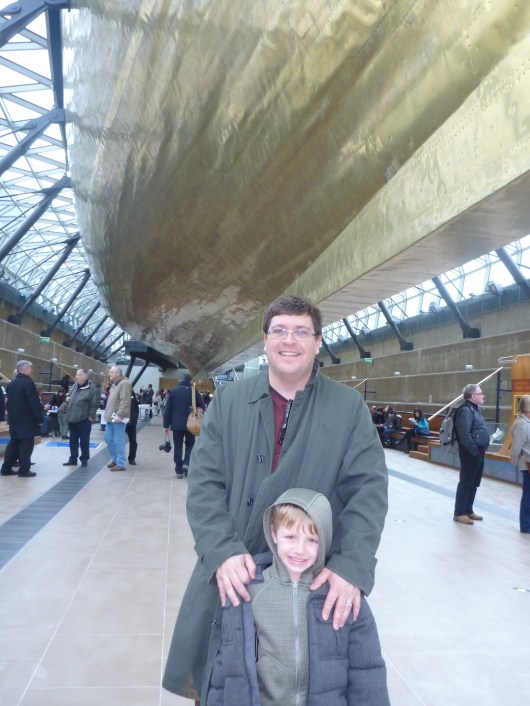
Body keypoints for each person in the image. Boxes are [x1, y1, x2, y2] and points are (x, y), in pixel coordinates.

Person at [162, 295, 388, 704]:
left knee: (306, 685)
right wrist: (222, 551)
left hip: (307, 581)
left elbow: (368, 491)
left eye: (302, 331)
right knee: (225, 681)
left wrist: (352, 566)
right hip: (234, 573)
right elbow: (204, 484)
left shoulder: (347, 407)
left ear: (318, 343)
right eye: (280, 330)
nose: (290, 340)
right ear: (265, 340)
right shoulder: (230, 402)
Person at [207, 487, 390, 706]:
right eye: (291, 536)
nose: (300, 549)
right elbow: (226, 670)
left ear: (325, 540)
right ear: (274, 534)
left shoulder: (341, 596)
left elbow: (367, 672)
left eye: (312, 540)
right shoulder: (249, 592)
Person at [453, 383, 490, 525]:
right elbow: (464, 434)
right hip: (471, 453)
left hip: (478, 452)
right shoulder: (466, 410)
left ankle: (468, 510)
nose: (483, 396)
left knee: (474, 483)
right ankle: (459, 513)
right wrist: (474, 451)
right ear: (473, 396)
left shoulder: (475, 409)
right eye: (481, 393)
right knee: (466, 482)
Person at [0, 360, 43, 478]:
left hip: (14, 420)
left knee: (13, 444)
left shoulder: (12, 383)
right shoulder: (28, 383)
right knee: (26, 445)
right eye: (31, 368)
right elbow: (33, 403)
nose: (32, 370)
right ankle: (24, 470)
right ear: (26, 369)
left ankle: (6, 468)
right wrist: (39, 418)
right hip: (26, 420)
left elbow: (7, 403)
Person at [163, 372, 205, 478]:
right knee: (190, 444)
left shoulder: (173, 391)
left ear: (180, 380)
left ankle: (178, 470)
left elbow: (167, 410)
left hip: (176, 424)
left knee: (178, 446)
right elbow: (202, 406)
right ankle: (187, 463)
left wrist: (166, 425)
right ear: (190, 380)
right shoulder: (194, 391)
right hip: (191, 424)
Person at [62, 369, 99, 468]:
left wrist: (91, 417)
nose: (76, 376)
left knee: (84, 441)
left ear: (85, 377)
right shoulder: (74, 386)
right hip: (72, 418)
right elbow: (68, 397)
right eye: (76, 374)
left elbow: (94, 404)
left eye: (78, 374)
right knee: (72, 440)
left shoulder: (92, 389)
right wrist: (66, 400)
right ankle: (73, 459)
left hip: (84, 419)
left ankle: (84, 459)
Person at [104, 366, 132, 472]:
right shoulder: (114, 385)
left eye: (112, 372)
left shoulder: (125, 384)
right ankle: (115, 459)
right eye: (110, 371)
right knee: (108, 438)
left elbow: (125, 401)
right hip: (111, 417)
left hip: (118, 417)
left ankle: (121, 463)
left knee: (118, 440)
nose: (109, 374)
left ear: (118, 374)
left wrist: (120, 415)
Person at [509, 395, 530, 533]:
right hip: (528, 463)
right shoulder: (522, 423)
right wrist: (514, 458)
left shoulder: (526, 421)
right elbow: (517, 445)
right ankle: (526, 525)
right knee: (528, 496)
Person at [126, 390, 140, 465]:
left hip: (131, 421)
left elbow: (136, 408)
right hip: (122, 421)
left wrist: (135, 419)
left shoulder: (132, 395)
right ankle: (117, 458)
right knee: (118, 441)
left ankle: (132, 458)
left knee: (133, 441)